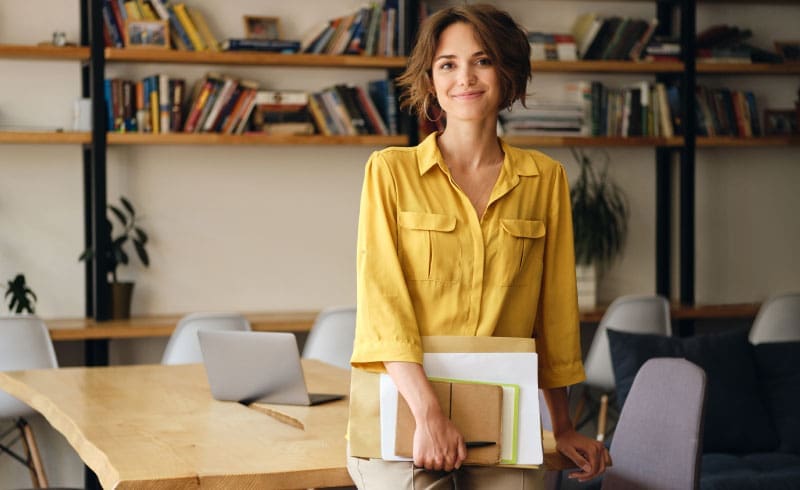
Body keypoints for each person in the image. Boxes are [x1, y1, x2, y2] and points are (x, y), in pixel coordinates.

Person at [347, 4, 610, 489]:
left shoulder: (544, 179)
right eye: (448, 64)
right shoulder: (390, 172)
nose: (464, 77)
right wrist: (429, 414)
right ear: (431, 79)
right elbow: (384, 308)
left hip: (505, 421)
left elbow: (552, 315)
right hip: (404, 414)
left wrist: (564, 424)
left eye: (482, 60)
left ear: (507, 73)